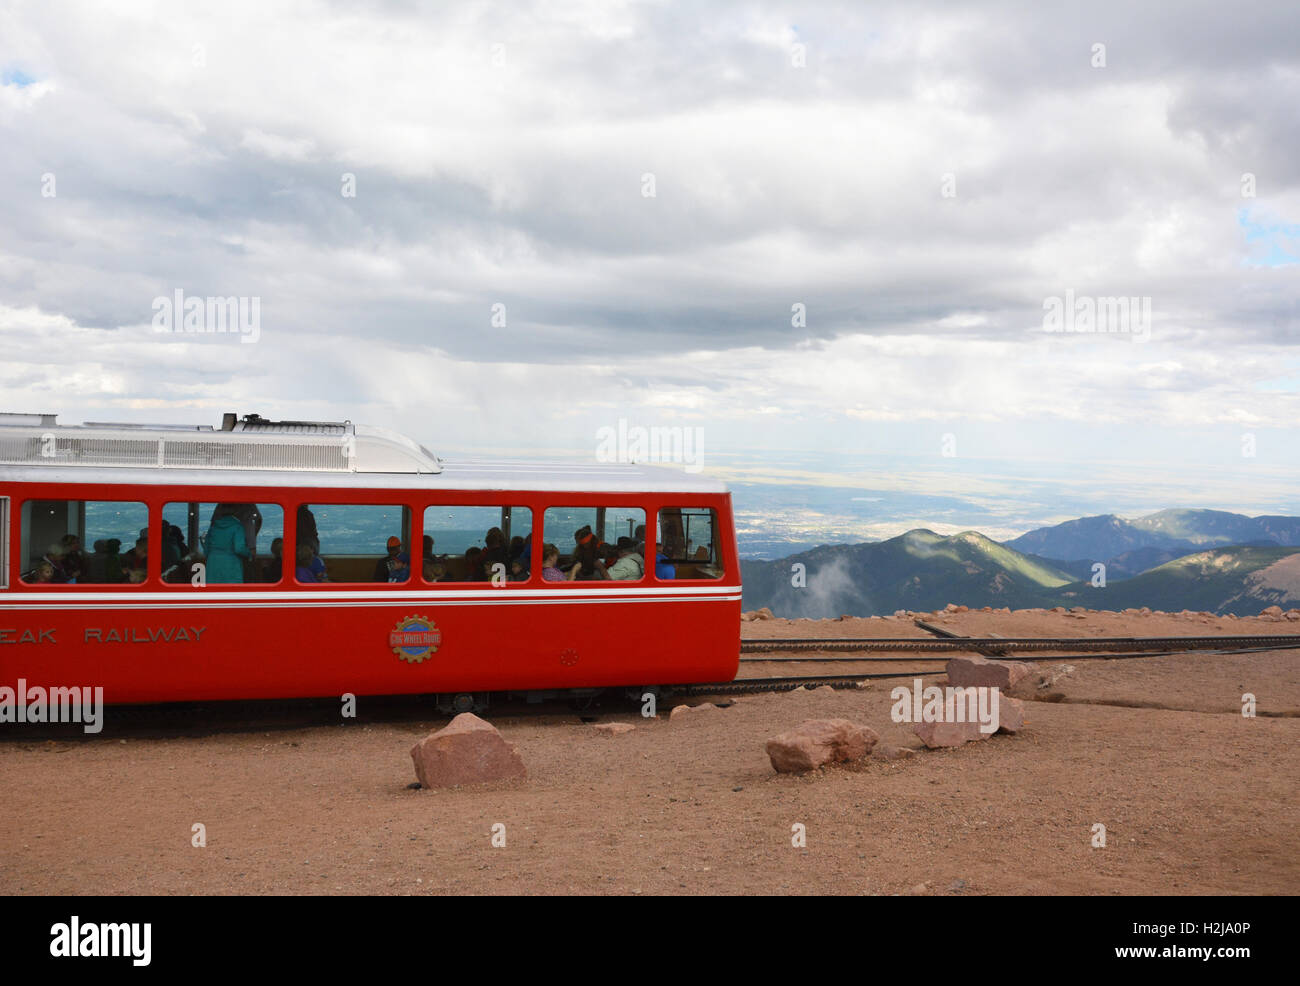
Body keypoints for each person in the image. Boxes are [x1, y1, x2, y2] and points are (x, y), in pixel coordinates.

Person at [203, 504, 250, 584]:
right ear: (236, 511)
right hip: (231, 564)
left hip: (213, 563)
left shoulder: (214, 526)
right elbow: (239, 548)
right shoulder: (237, 526)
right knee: (231, 592)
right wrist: (249, 554)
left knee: (213, 592)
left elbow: (206, 549)